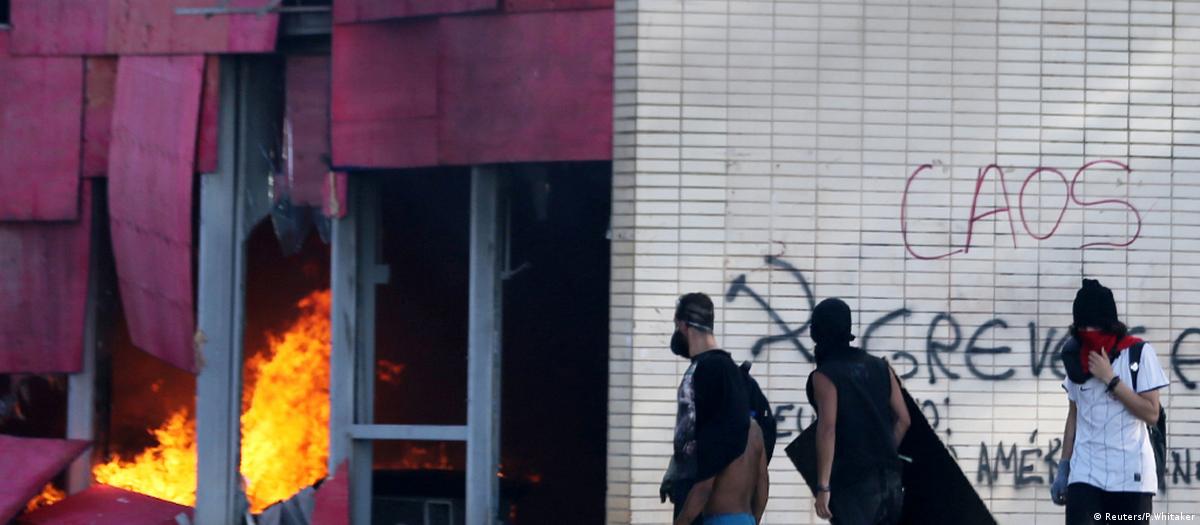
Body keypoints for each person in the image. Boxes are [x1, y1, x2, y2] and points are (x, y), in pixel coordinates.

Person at [1051, 279, 1168, 525]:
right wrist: (1063, 467)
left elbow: (1151, 413)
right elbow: (1074, 416)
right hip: (1085, 474)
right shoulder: (1076, 358)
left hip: (1131, 476)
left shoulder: (1138, 353)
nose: (1089, 332)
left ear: (1109, 324)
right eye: (1083, 326)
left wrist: (1111, 379)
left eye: (1095, 325)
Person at [661, 292, 769, 525]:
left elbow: (711, 452)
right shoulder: (726, 372)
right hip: (736, 514)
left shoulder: (708, 371)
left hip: (706, 508)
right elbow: (762, 479)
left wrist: (687, 512)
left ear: (683, 324)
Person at [805, 298, 909, 525]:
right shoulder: (881, 367)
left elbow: (828, 429)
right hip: (891, 480)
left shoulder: (825, 375)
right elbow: (903, 419)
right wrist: (883, 452)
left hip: (853, 483)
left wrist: (823, 487)